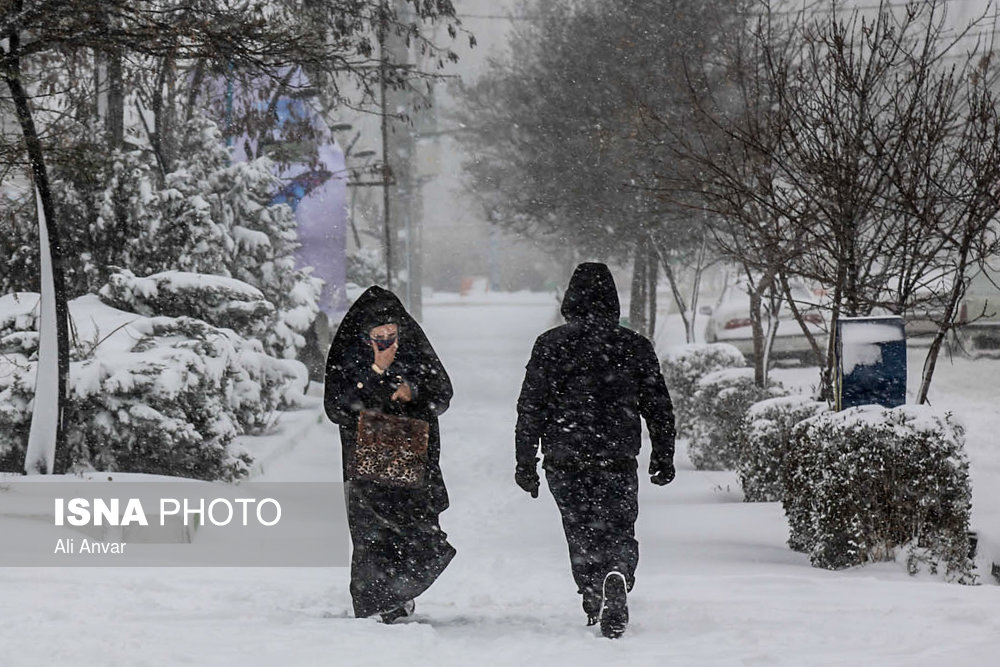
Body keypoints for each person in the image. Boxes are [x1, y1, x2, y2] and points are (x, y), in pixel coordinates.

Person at [514, 262, 676, 639]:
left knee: (580, 529)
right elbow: (658, 405)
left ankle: (593, 594)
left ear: (570, 299)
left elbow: (531, 406)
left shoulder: (550, 345)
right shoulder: (634, 346)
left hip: (565, 455)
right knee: (618, 524)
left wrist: (525, 461)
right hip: (616, 456)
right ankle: (617, 571)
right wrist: (663, 454)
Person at [324, 286, 456, 623]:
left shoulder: (415, 353)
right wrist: (376, 374)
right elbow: (338, 407)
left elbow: (442, 392)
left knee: (413, 528)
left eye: (392, 335)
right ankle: (377, 602)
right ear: (363, 337)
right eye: (378, 337)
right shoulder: (350, 358)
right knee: (373, 533)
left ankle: (401, 593)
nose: (388, 343)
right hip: (367, 458)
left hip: (411, 455)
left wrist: (412, 389)